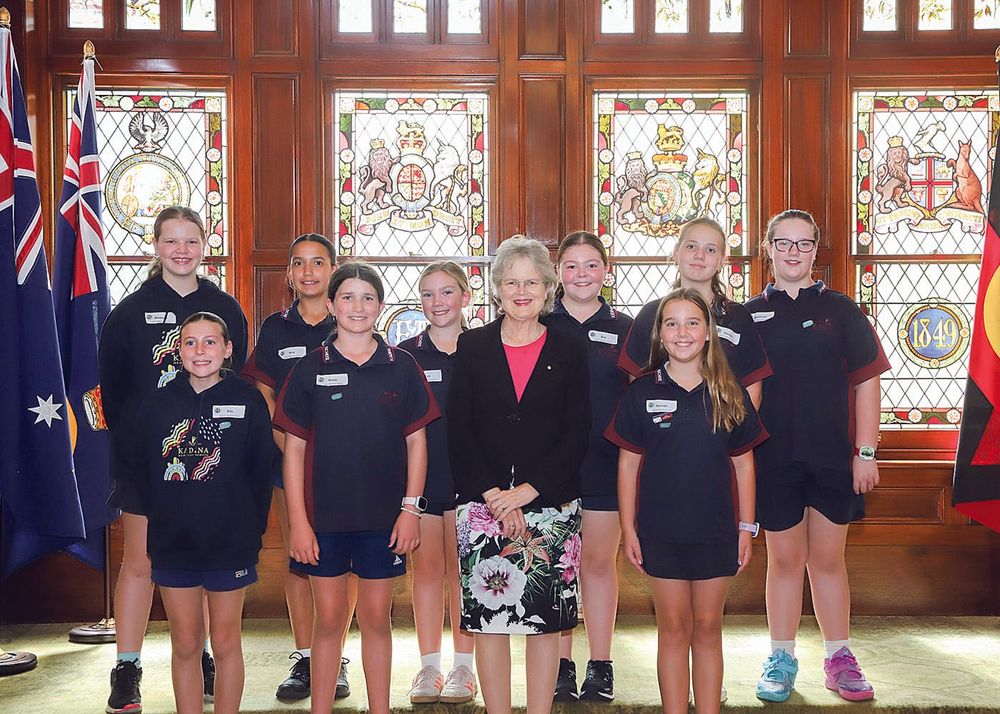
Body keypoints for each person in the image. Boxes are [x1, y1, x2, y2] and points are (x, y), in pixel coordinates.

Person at [100, 206, 248, 714]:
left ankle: (201, 654)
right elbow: (114, 392)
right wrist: (140, 444)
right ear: (156, 245)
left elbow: (237, 382)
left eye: (191, 241)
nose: (181, 251)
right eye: (171, 241)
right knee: (141, 559)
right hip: (146, 459)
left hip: (209, 460)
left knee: (200, 556)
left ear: (205, 245)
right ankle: (127, 666)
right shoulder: (129, 311)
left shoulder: (224, 306)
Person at [274, 261, 439, 714]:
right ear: (331, 305)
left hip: (383, 521)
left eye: (368, 298)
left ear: (381, 306)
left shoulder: (402, 366)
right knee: (329, 621)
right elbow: (292, 451)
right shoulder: (309, 369)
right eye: (347, 297)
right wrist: (299, 523)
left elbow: (417, 443)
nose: (358, 306)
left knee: (376, 620)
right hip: (323, 521)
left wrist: (411, 511)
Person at [746, 210, 889, 703]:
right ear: (768, 249)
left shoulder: (842, 311)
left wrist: (865, 451)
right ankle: (781, 658)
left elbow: (867, 383)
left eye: (804, 243)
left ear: (815, 250)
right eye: (784, 243)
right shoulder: (748, 315)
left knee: (827, 560)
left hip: (832, 457)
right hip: (773, 459)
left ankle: (839, 658)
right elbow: (738, 394)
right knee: (785, 560)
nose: (794, 252)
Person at [448, 236, 591, 714]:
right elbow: (459, 429)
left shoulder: (570, 348)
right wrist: (495, 496)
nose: (521, 291)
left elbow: (577, 431)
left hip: (550, 506)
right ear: (496, 289)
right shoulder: (472, 346)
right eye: (511, 282)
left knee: (545, 622)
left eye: (531, 282)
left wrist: (528, 492)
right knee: (489, 623)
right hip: (482, 506)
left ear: (548, 288)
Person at [607, 289, 764, 714]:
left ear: (709, 332)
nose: (682, 332)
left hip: (717, 532)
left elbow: (745, 466)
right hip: (660, 532)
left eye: (692, 323)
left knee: (708, 627)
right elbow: (627, 467)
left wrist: (746, 528)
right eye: (671, 323)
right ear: (659, 333)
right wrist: (629, 530)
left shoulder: (730, 392)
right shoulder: (641, 392)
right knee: (674, 628)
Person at [131, 312, 277, 714]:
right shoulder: (157, 404)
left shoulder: (247, 399)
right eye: (190, 342)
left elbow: (261, 470)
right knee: (186, 642)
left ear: (227, 349)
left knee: (226, 642)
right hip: (174, 544)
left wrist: (250, 531)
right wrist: (161, 524)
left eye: (210, 341)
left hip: (230, 543)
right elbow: (143, 472)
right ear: (178, 351)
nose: (200, 351)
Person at [242, 234, 355, 702]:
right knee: (301, 558)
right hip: (286, 460)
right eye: (299, 263)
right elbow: (263, 392)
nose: (309, 271)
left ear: (333, 269)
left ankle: (337, 657)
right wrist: (290, 445)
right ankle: (306, 657)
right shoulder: (276, 328)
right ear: (289, 274)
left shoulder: (350, 316)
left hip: (346, 466)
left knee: (344, 562)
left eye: (318, 262)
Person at [545, 231, 633, 701]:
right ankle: (560, 665)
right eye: (572, 265)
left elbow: (639, 398)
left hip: (606, 465)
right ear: (558, 272)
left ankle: (601, 665)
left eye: (591, 265)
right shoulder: (539, 322)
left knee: (598, 565)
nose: (582, 274)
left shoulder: (627, 328)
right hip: (549, 468)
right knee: (558, 567)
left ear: (606, 271)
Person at [398, 262, 478, 704]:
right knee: (427, 572)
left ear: (466, 297)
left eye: (447, 292)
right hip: (425, 479)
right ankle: (429, 667)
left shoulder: (485, 348)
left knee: (463, 574)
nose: (437, 302)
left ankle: (464, 668)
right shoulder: (405, 355)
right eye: (427, 294)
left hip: (473, 481)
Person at [618, 217, 771, 405]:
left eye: (710, 250)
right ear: (676, 252)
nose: (700, 255)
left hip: (724, 422)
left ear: (722, 260)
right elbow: (636, 383)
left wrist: (737, 425)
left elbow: (752, 387)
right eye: (691, 246)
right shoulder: (651, 314)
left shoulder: (738, 316)